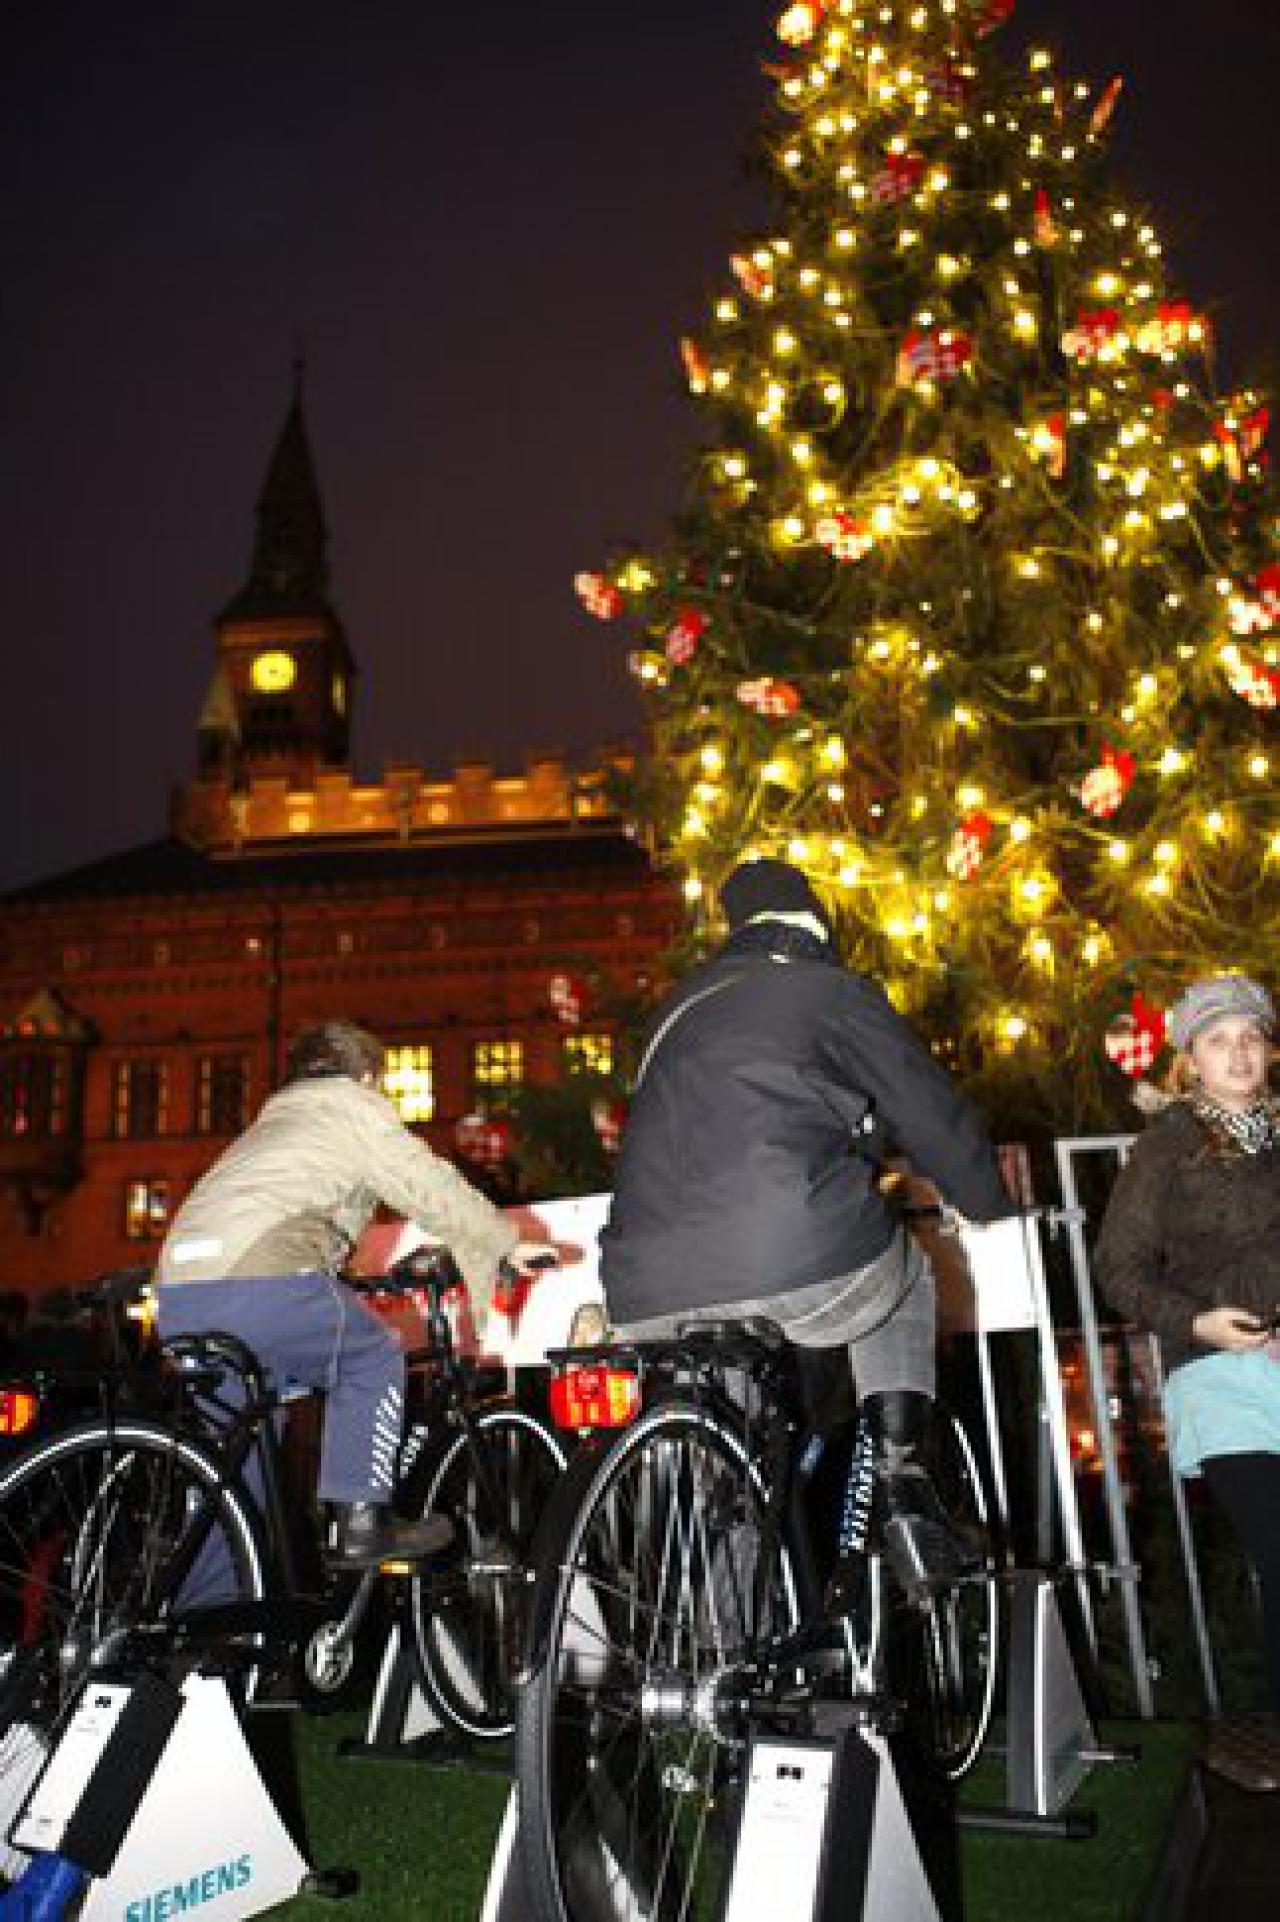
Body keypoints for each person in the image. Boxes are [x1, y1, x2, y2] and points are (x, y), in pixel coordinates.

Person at [600, 856, 1014, 1598]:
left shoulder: (674, 1010)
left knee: (736, 1454)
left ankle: (721, 1673)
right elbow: (930, 1116)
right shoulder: (829, 990)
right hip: (790, 1252)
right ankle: (904, 1482)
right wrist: (989, 1205)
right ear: (817, 925)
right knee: (906, 1278)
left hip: (645, 1287)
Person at [157, 1019, 555, 1567]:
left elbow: (308, 1211)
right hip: (260, 1284)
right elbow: (424, 1181)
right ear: (367, 1077)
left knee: (235, 1470)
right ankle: (361, 1521)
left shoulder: (276, 1121)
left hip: (181, 1297)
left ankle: (213, 1622)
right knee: (372, 1355)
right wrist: (502, 1241)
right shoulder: (349, 1107)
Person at [1095, 972, 1280, 1778]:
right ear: (1190, 1059)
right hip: (1219, 1377)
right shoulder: (1168, 1144)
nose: (1238, 1051)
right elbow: (1118, 1267)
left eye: (1250, 1035)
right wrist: (1198, 1321)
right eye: (1218, 1039)